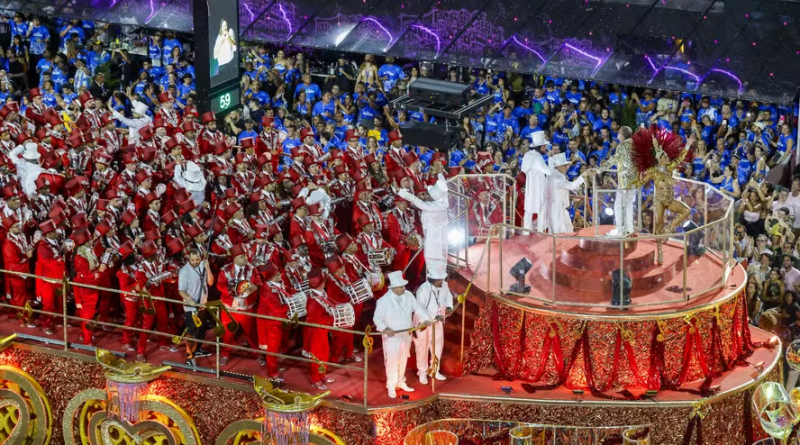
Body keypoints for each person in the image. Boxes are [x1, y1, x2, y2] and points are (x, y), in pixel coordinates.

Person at [373, 270, 434, 399]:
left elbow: (418, 308)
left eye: (403, 286)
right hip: (392, 337)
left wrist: (425, 319)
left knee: (403, 359)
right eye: (400, 287)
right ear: (393, 288)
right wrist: (385, 328)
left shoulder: (408, 296)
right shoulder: (383, 301)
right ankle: (391, 385)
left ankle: (401, 381)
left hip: (405, 335)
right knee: (392, 361)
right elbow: (377, 319)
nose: (403, 288)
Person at [395, 173, 449, 268]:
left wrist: (399, 190)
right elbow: (445, 192)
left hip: (431, 239)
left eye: (428, 194)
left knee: (431, 264)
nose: (426, 196)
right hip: (442, 238)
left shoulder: (429, 207)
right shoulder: (445, 203)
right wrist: (440, 175)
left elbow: (413, 199)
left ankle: (433, 279)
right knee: (442, 262)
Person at [413, 262, 452, 385]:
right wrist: (434, 316)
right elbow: (420, 309)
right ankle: (422, 372)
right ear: (432, 280)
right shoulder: (422, 290)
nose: (442, 281)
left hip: (438, 322)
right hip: (423, 324)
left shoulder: (444, 285)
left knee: (437, 347)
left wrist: (449, 306)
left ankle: (434, 370)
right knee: (422, 348)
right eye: (440, 280)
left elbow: (448, 297)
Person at [178, 249, 214, 367]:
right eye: (192, 260)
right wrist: (191, 301)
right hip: (192, 308)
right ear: (189, 258)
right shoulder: (184, 272)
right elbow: (181, 291)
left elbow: (210, 283)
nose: (195, 262)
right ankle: (189, 357)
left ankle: (197, 349)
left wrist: (208, 269)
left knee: (201, 330)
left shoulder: (203, 266)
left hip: (203, 304)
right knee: (192, 332)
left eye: (197, 259)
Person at [545, 153, 591, 234]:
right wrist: (582, 176)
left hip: (555, 206)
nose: (567, 167)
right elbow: (572, 186)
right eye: (565, 165)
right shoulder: (558, 177)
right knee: (559, 231)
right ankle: (558, 246)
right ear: (558, 166)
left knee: (567, 227)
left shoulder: (552, 173)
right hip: (557, 207)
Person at [602, 126, 636, 236]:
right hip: (634, 181)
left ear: (623, 135)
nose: (617, 135)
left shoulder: (622, 146)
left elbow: (615, 159)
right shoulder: (635, 145)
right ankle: (629, 229)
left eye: (619, 133)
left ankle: (621, 230)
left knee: (619, 205)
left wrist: (600, 168)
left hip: (624, 181)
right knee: (629, 205)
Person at [521, 131, 551, 233]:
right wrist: (550, 158)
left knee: (529, 210)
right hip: (538, 188)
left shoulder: (528, 155)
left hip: (531, 187)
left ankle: (526, 233)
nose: (545, 148)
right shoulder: (536, 157)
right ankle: (540, 232)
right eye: (544, 146)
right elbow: (548, 171)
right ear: (541, 146)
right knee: (541, 209)